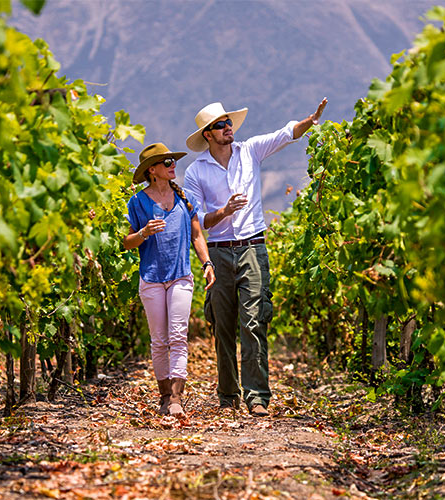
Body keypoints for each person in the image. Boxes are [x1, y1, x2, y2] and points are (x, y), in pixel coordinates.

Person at [183, 98, 328, 417]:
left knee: (254, 320)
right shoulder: (195, 172)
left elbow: (286, 134)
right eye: (221, 126)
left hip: (253, 247)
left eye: (229, 123)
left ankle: (257, 396)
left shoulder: (250, 150)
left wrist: (310, 120)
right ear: (208, 134)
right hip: (220, 252)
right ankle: (227, 395)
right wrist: (223, 212)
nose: (228, 129)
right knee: (222, 325)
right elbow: (197, 220)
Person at [123, 142, 216, 418]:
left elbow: (198, 236)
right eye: (166, 163)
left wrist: (207, 263)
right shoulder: (138, 202)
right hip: (151, 278)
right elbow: (126, 242)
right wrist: (143, 233)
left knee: (178, 336)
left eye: (172, 161)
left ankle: (176, 398)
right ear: (152, 170)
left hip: (181, 276)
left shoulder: (184, 198)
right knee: (158, 339)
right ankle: (164, 395)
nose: (172, 165)